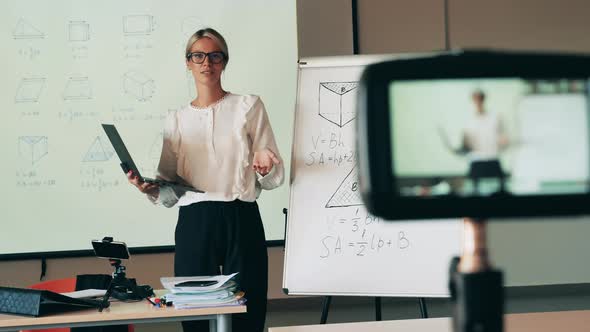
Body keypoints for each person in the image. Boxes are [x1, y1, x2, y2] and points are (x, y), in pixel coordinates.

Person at [127, 27, 284, 332]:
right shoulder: (176, 119)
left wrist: (264, 167)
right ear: (188, 62)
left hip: (241, 217)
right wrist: (149, 188)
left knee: (248, 312)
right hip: (195, 220)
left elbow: (272, 176)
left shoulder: (248, 106)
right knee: (195, 312)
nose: (206, 63)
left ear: (224, 62)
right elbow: (170, 188)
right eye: (197, 56)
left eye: (214, 56)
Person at [461, 89, 509, 194]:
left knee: (502, 189)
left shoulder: (495, 117)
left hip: (492, 157)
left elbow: (503, 137)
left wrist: (503, 142)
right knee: (474, 191)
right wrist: (465, 145)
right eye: (475, 99)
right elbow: (466, 142)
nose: (478, 101)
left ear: (484, 99)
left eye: (480, 98)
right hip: (476, 159)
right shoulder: (469, 120)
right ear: (473, 100)